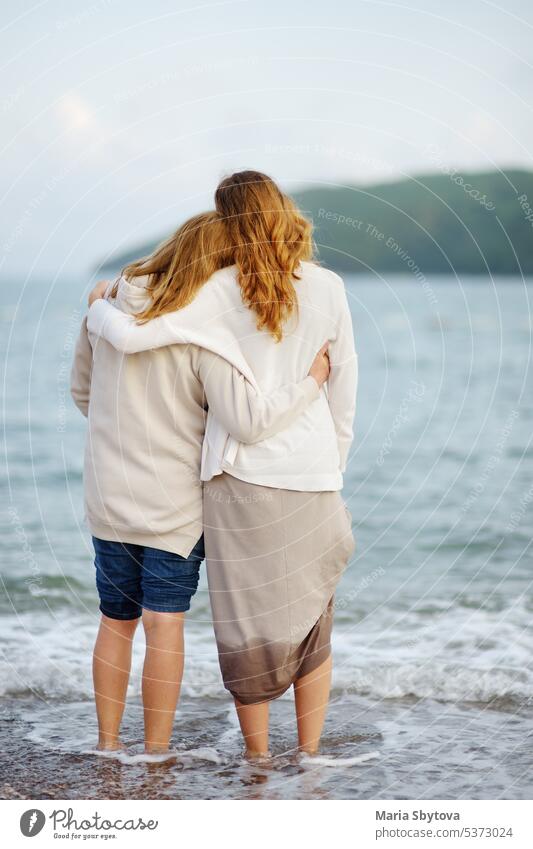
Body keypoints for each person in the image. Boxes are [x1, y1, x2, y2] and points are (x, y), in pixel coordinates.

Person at [87, 171, 357, 759]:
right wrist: (329, 452)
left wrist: (99, 308)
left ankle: (135, 748)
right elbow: (330, 391)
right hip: (245, 490)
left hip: (169, 488)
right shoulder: (312, 292)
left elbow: (107, 371)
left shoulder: (169, 298)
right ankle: (281, 758)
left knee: (167, 625)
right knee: (288, 624)